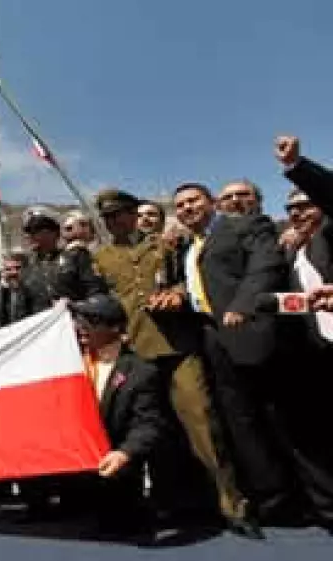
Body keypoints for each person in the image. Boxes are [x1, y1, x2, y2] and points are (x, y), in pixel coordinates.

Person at [93, 189, 254, 535]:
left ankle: (232, 505)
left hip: (177, 347)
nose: (113, 222)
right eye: (107, 218)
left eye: (119, 214)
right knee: (146, 432)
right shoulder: (102, 258)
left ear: (134, 214)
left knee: (202, 425)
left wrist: (178, 294)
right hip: (135, 354)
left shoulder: (167, 245)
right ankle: (160, 503)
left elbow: (195, 276)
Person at [171, 181, 293, 522]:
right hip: (212, 338)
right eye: (180, 205)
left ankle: (306, 499)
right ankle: (269, 499)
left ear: (211, 203)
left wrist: (243, 304)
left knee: (277, 417)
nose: (187, 208)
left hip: (249, 330)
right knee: (240, 422)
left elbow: (264, 267)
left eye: (193, 201)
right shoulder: (189, 247)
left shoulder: (246, 225)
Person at [70, 294, 167, 540]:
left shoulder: (140, 372)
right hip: (70, 497)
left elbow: (148, 424)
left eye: (92, 320)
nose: (80, 325)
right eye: (79, 318)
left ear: (115, 328)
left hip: (115, 483)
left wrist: (125, 453)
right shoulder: (68, 366)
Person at [21, 205, 107, 312]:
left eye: (35, 231)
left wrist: (77, 306)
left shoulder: (75, 257)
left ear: (54, 232)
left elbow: (97, 293)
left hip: (75, 323)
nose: (30, 236)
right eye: (29, 231)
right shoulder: (26, 268)